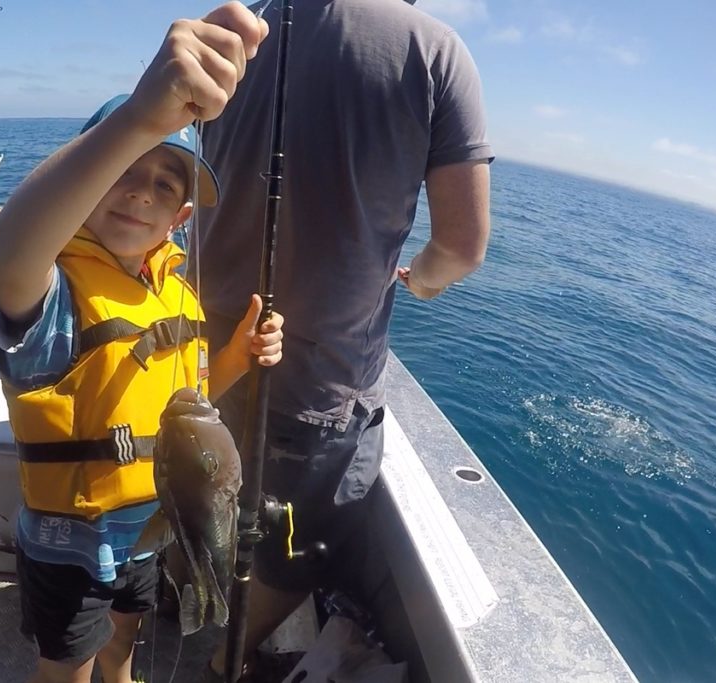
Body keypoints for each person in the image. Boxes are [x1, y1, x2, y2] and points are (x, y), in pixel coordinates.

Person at [195, 0, 493, 676]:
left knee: (209, 495)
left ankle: (187, 596)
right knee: (307, 547)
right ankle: (225, 659)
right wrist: (424, 280)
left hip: (204, 360)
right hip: (318, 385)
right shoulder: (436, 51)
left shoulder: (241, 26)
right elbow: (463, 244)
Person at [0, 5, 275, 683]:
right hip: (69, 544)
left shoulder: (177, 295)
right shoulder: (54, 295)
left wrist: (240, 353)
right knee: (69, 663)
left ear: (178, 220)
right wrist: (142, 119)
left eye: (164, 185)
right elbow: (12, 254)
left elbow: (190, 403)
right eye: (123, 171)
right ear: (85, 178)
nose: (140, 193)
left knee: (124, 639)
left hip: (152, 520)